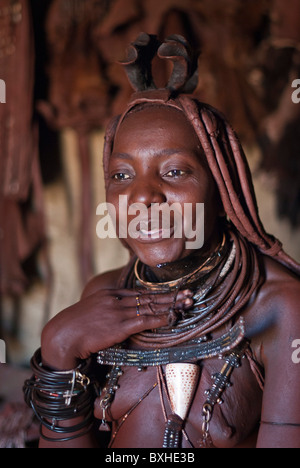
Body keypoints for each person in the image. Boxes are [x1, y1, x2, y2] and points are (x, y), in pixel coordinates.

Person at [24, 34, 300, 449]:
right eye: (122, 175)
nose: (143, 197)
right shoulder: (104, 295)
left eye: (174, 172)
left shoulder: (281, 307)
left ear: (221, 191)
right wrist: (59, 347)